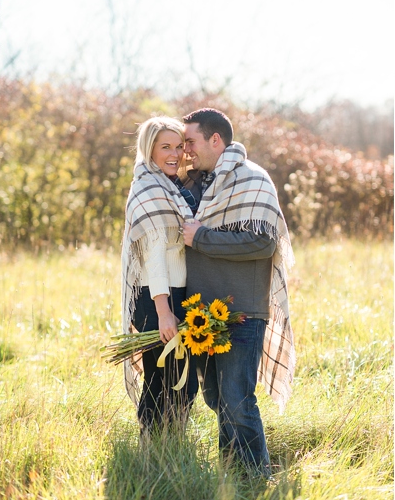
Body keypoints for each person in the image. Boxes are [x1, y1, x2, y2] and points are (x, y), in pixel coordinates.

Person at [181, 108, 295, 477]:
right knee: (216, 397)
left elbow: (263, 243)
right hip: (202, 313)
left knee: (236, 399)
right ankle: (233, 474)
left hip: (241, 311)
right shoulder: (193, 184)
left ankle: (257, 478)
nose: (185, 150)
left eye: (191, 141)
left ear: (216, 140)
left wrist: (202, 238)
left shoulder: (253, 179)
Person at [121, 117, 200, 436]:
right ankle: (151, 451)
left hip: (175, 292)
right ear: (148, 149)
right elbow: (153, 254)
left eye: (179, 146)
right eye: (165, 146)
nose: (175, 154)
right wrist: (164, 311)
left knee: (178, 379)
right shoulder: (150, 186)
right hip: (157, 296)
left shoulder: (169, 186)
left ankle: (171, 446)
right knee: (162, 379)